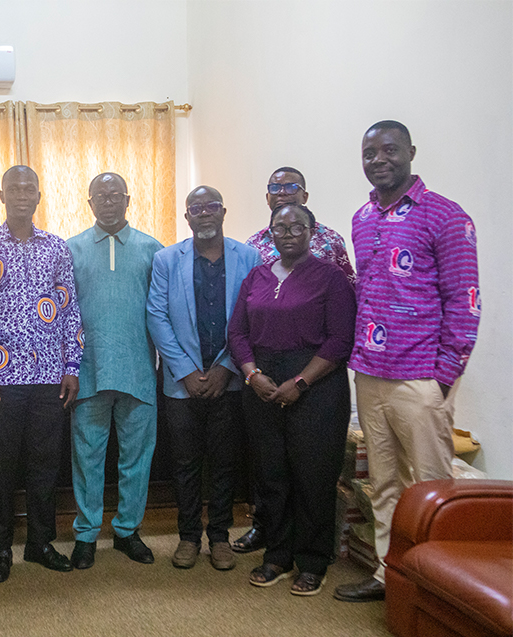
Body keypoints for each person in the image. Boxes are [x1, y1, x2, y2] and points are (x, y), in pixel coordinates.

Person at [334, 121, 480, 603]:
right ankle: (387, 575)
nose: (379, 159)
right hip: (370, 373)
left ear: (411, 152)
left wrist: (444, 377)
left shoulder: (445, 216)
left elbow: (465, 301)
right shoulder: (362, 218)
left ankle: (438, 584)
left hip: (421, 377)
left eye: (389, 149)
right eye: (369, 152)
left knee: (431, 489)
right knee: (384, 485)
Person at [229, 203, 356, 596]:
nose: (287, 232)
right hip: (262, 386)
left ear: (312, 231)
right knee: (271, 474)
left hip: (317, 387)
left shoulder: (331, 279)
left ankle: (313, 560)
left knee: (313, 475)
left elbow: (340, 341)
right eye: (279, 227)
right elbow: (237, 334)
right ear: (270, 233)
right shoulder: (257, 277)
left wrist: (300, 382)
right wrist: (252, 375)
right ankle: (278, 556)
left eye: (297, 226)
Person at [0, 165, 82, 584]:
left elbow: (70, 311)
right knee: (1, 466)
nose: (21, 194)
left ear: (38, 197)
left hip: (51, 374)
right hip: (3, 376)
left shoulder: (57, 248)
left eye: (28, 188)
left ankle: (40, 543)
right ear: (1, 196)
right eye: (13, 188)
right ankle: (0, 547)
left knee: (45, 463)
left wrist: (72, 367)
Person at [146, 186, 260, 572]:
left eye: (211, 207)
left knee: (226, 463)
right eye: (196, 208)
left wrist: (227, 366)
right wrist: (186, 370)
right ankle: (189, 536)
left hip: (229, 379)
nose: (204, 214)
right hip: (182, 384)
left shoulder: (249, 257)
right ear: (187, 217)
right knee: (185, 463)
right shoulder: (166, 259)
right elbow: (156, 316)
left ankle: (220, 536)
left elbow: (250, 318)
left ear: (223, 212)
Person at [65, 172, 163, 569]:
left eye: (115, 195)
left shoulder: (153, 249)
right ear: (89, 203)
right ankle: (86, 534)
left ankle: (127, 530)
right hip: (89, 371)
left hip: (139, 370)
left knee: (137, 458)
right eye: (100, 196)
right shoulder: (70, 249)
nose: (108, 201)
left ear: (128, 199)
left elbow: (162, 313)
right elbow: (62, 315)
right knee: (87, 457)